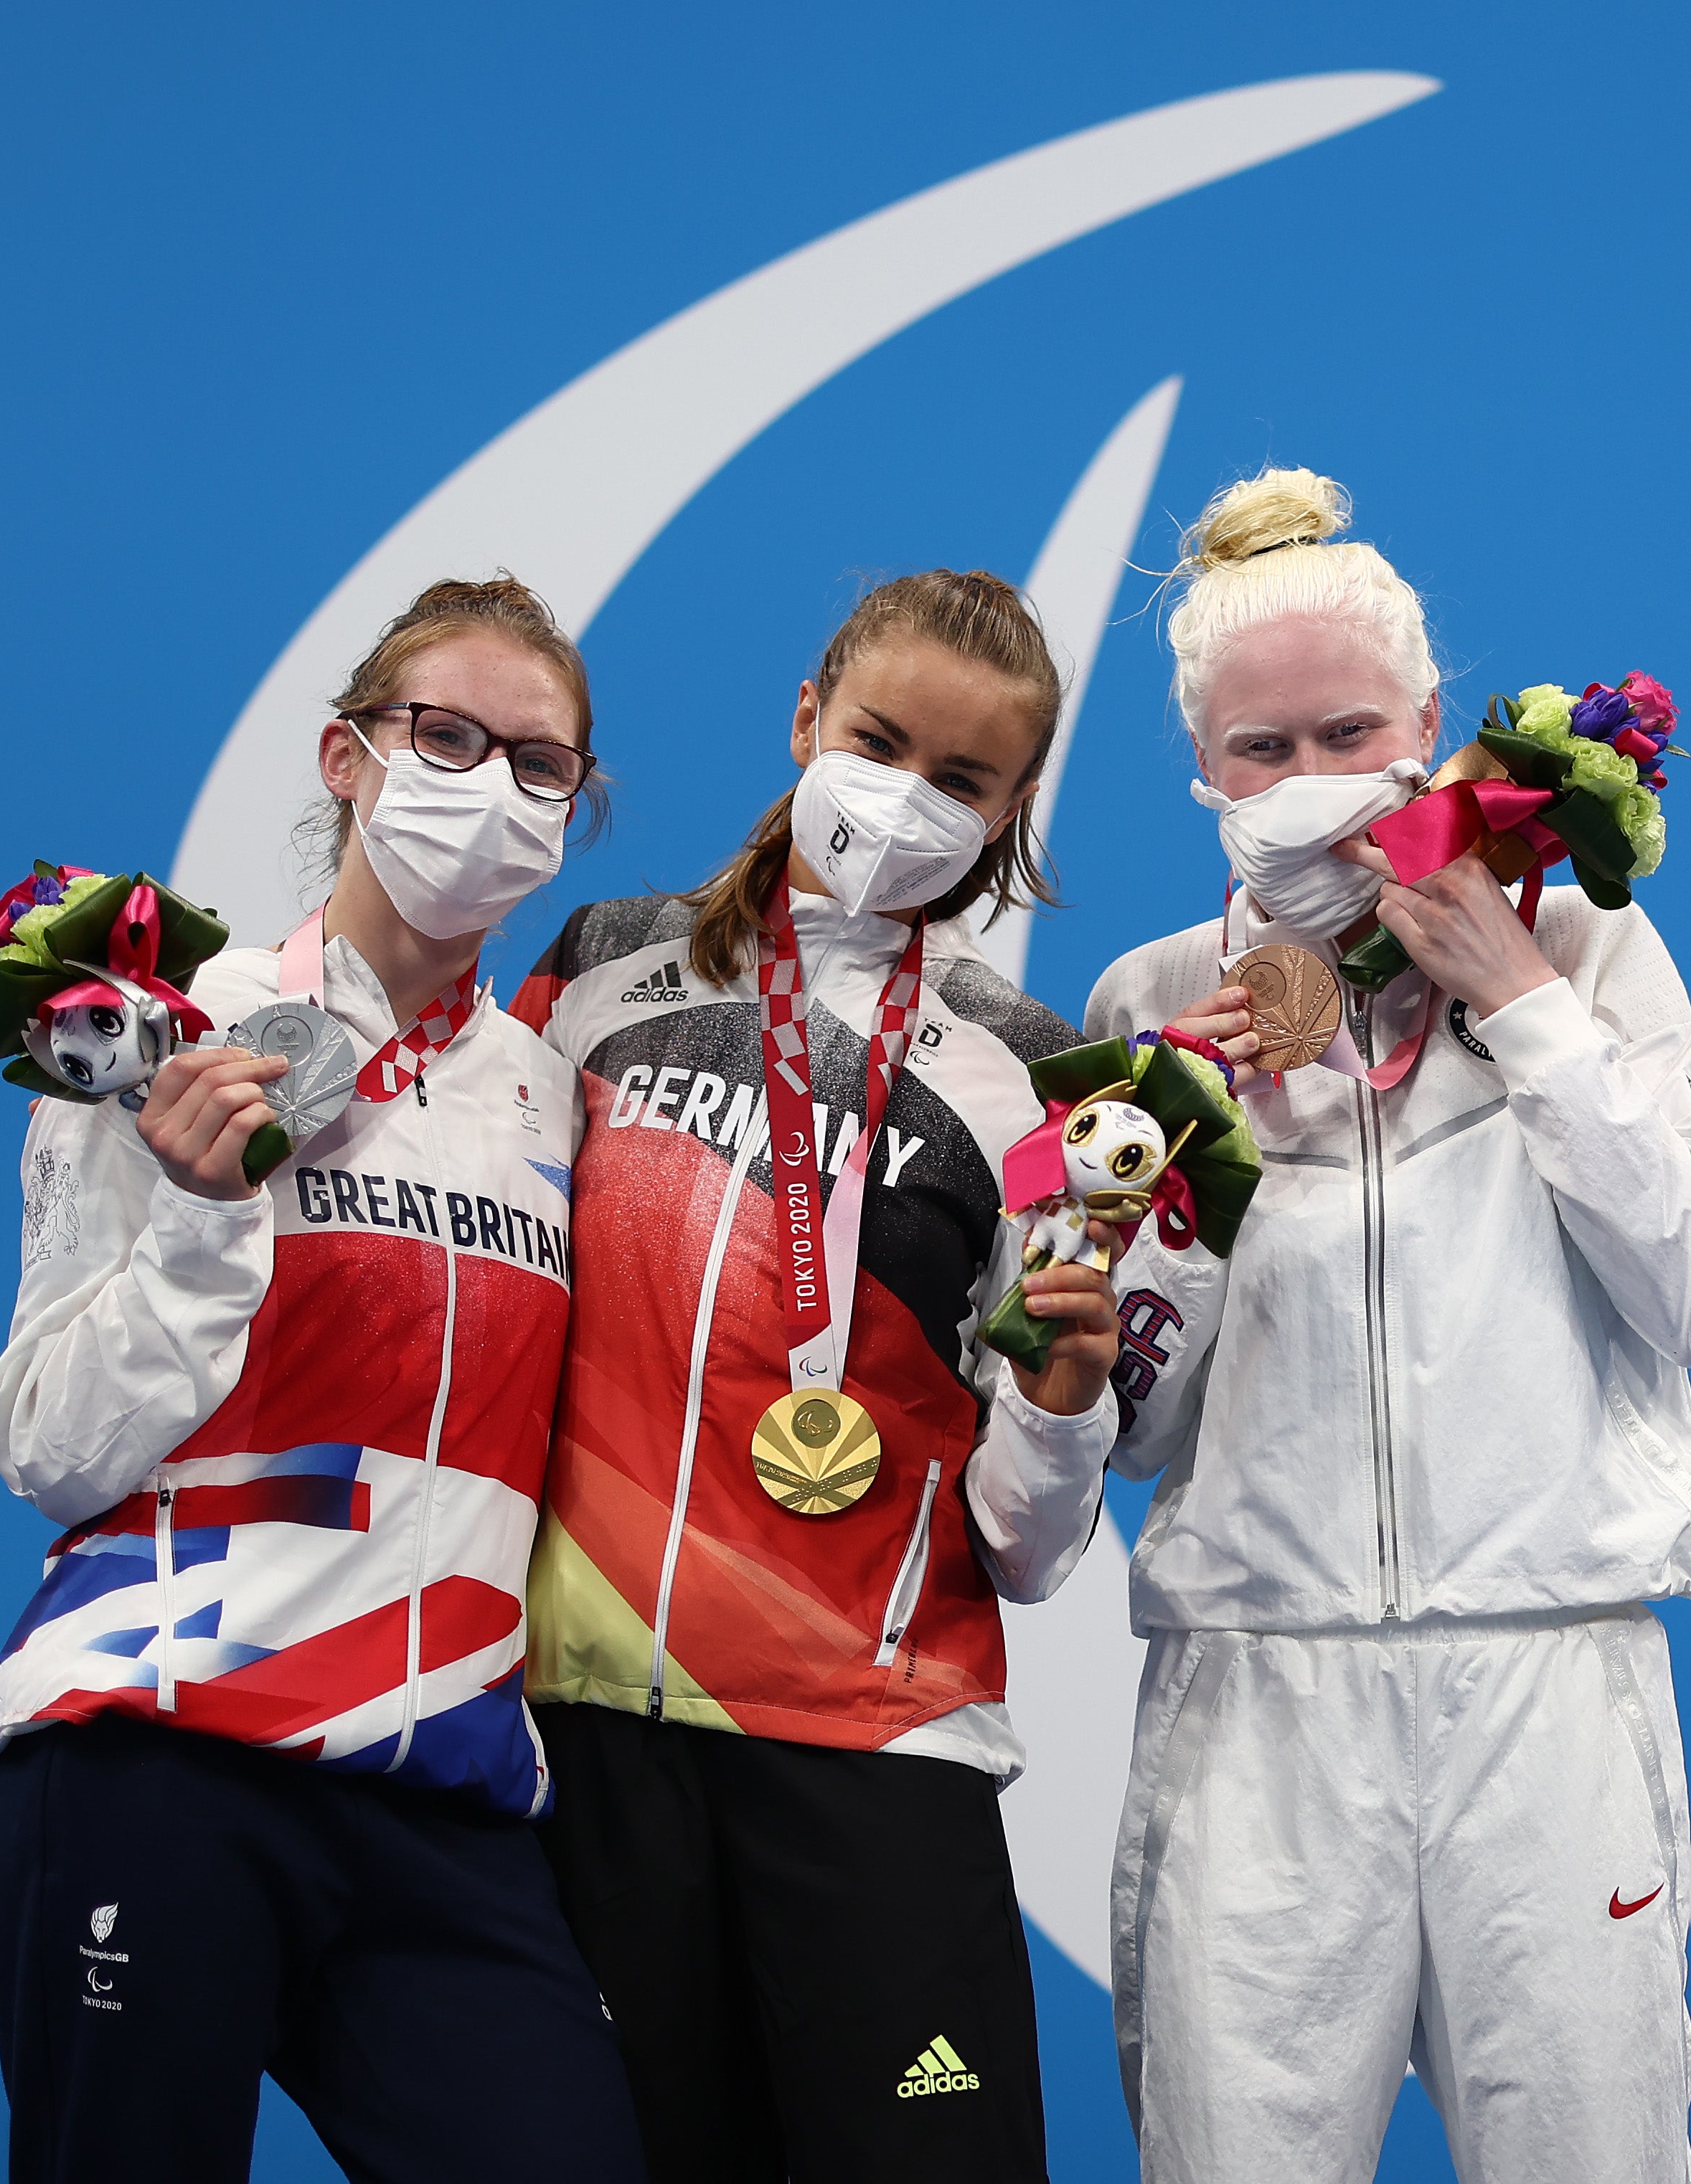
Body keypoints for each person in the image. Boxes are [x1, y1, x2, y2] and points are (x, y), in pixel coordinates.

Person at [1085, 471, 1691, 2184]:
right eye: (1259, 751)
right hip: (1258, 1688)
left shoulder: (1589, 946)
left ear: (1430, 729)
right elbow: (1130, 1426)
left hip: (1549, 1669)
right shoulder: (1153, 1008)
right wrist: (1200, 1135)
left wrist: (1518, 1003)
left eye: (1345, 732)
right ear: (1200, 770)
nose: (1305, 784)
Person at [0, 577, 646, 2183]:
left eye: (540, 764)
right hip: (158, 1741)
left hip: (441, 1787)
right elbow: (48, 1441)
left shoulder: (556, 1100)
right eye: (448, 734)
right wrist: (202, 1222)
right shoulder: (165, 1032)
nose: (492, 784)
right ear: (348, 756)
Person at [514, 569, 1122, 2183]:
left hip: (877, 1739)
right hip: (591, 1724)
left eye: (963, 778)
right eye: (880, 739)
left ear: (1009, 812)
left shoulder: (1034, 1069)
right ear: (806, 719)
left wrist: (1063, 1402)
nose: (907, 797)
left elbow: (1035, 1548)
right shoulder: (591, 973)